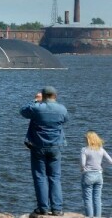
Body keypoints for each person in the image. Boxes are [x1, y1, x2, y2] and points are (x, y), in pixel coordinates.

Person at [21, 86, 69, 216]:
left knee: (40, 177)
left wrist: (36, 100)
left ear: (43, 95)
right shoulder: (62, 109)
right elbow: (65, 120)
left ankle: (43, 207)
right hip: (56, 146)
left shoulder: (37, 108)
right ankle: (57, 209)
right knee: (55, 177)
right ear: (55, 95)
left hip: (38, 146)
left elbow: (23, 112)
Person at [80, 130, 112, 217]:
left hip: (88, 175)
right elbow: (110, 161)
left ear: (89, 140)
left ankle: (90, 217)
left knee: (88, 198)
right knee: (97, 198)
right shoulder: (101, 149)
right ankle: (98, 216)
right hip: (99, 175)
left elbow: (83, 164)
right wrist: (102, 167)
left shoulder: (84, 150)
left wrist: (83, 169)